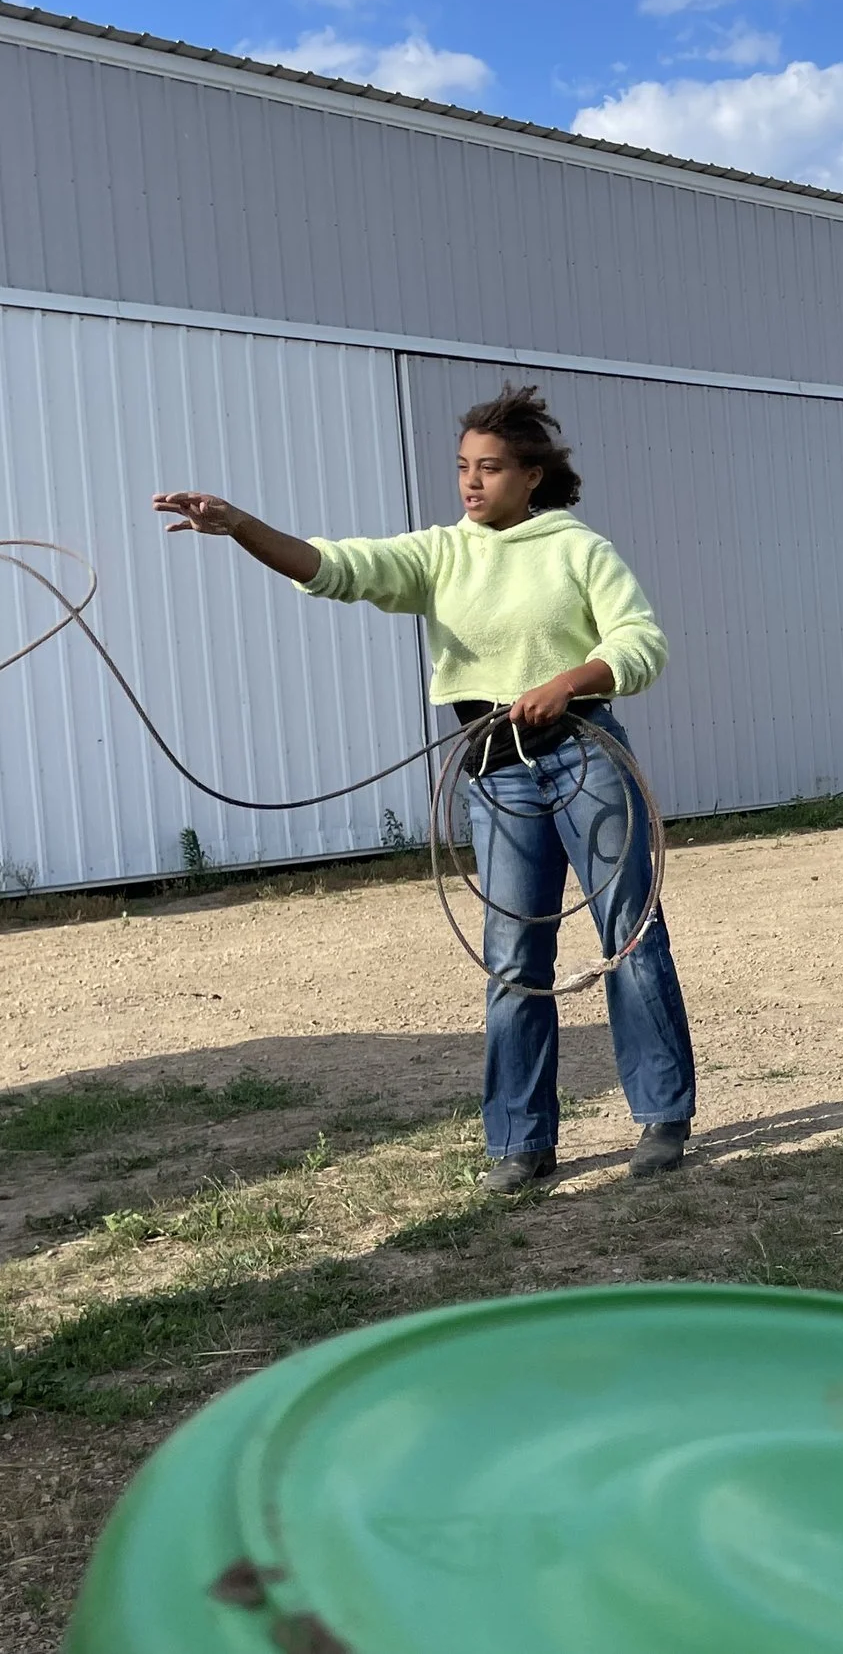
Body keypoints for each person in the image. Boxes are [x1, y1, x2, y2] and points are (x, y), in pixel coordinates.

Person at [152, 385, 697, 1191]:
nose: (471, 483)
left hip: (585, 756)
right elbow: (337, 567)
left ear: (532, 476)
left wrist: (570, 678)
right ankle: (521, 1141)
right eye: (463, 468)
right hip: (495, 769)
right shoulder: (441, 553)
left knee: (626, 932)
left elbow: (640, 641)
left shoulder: (576, 547)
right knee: (513, 955)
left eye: (490, 468)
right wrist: (239, 528)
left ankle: (661, 1116)